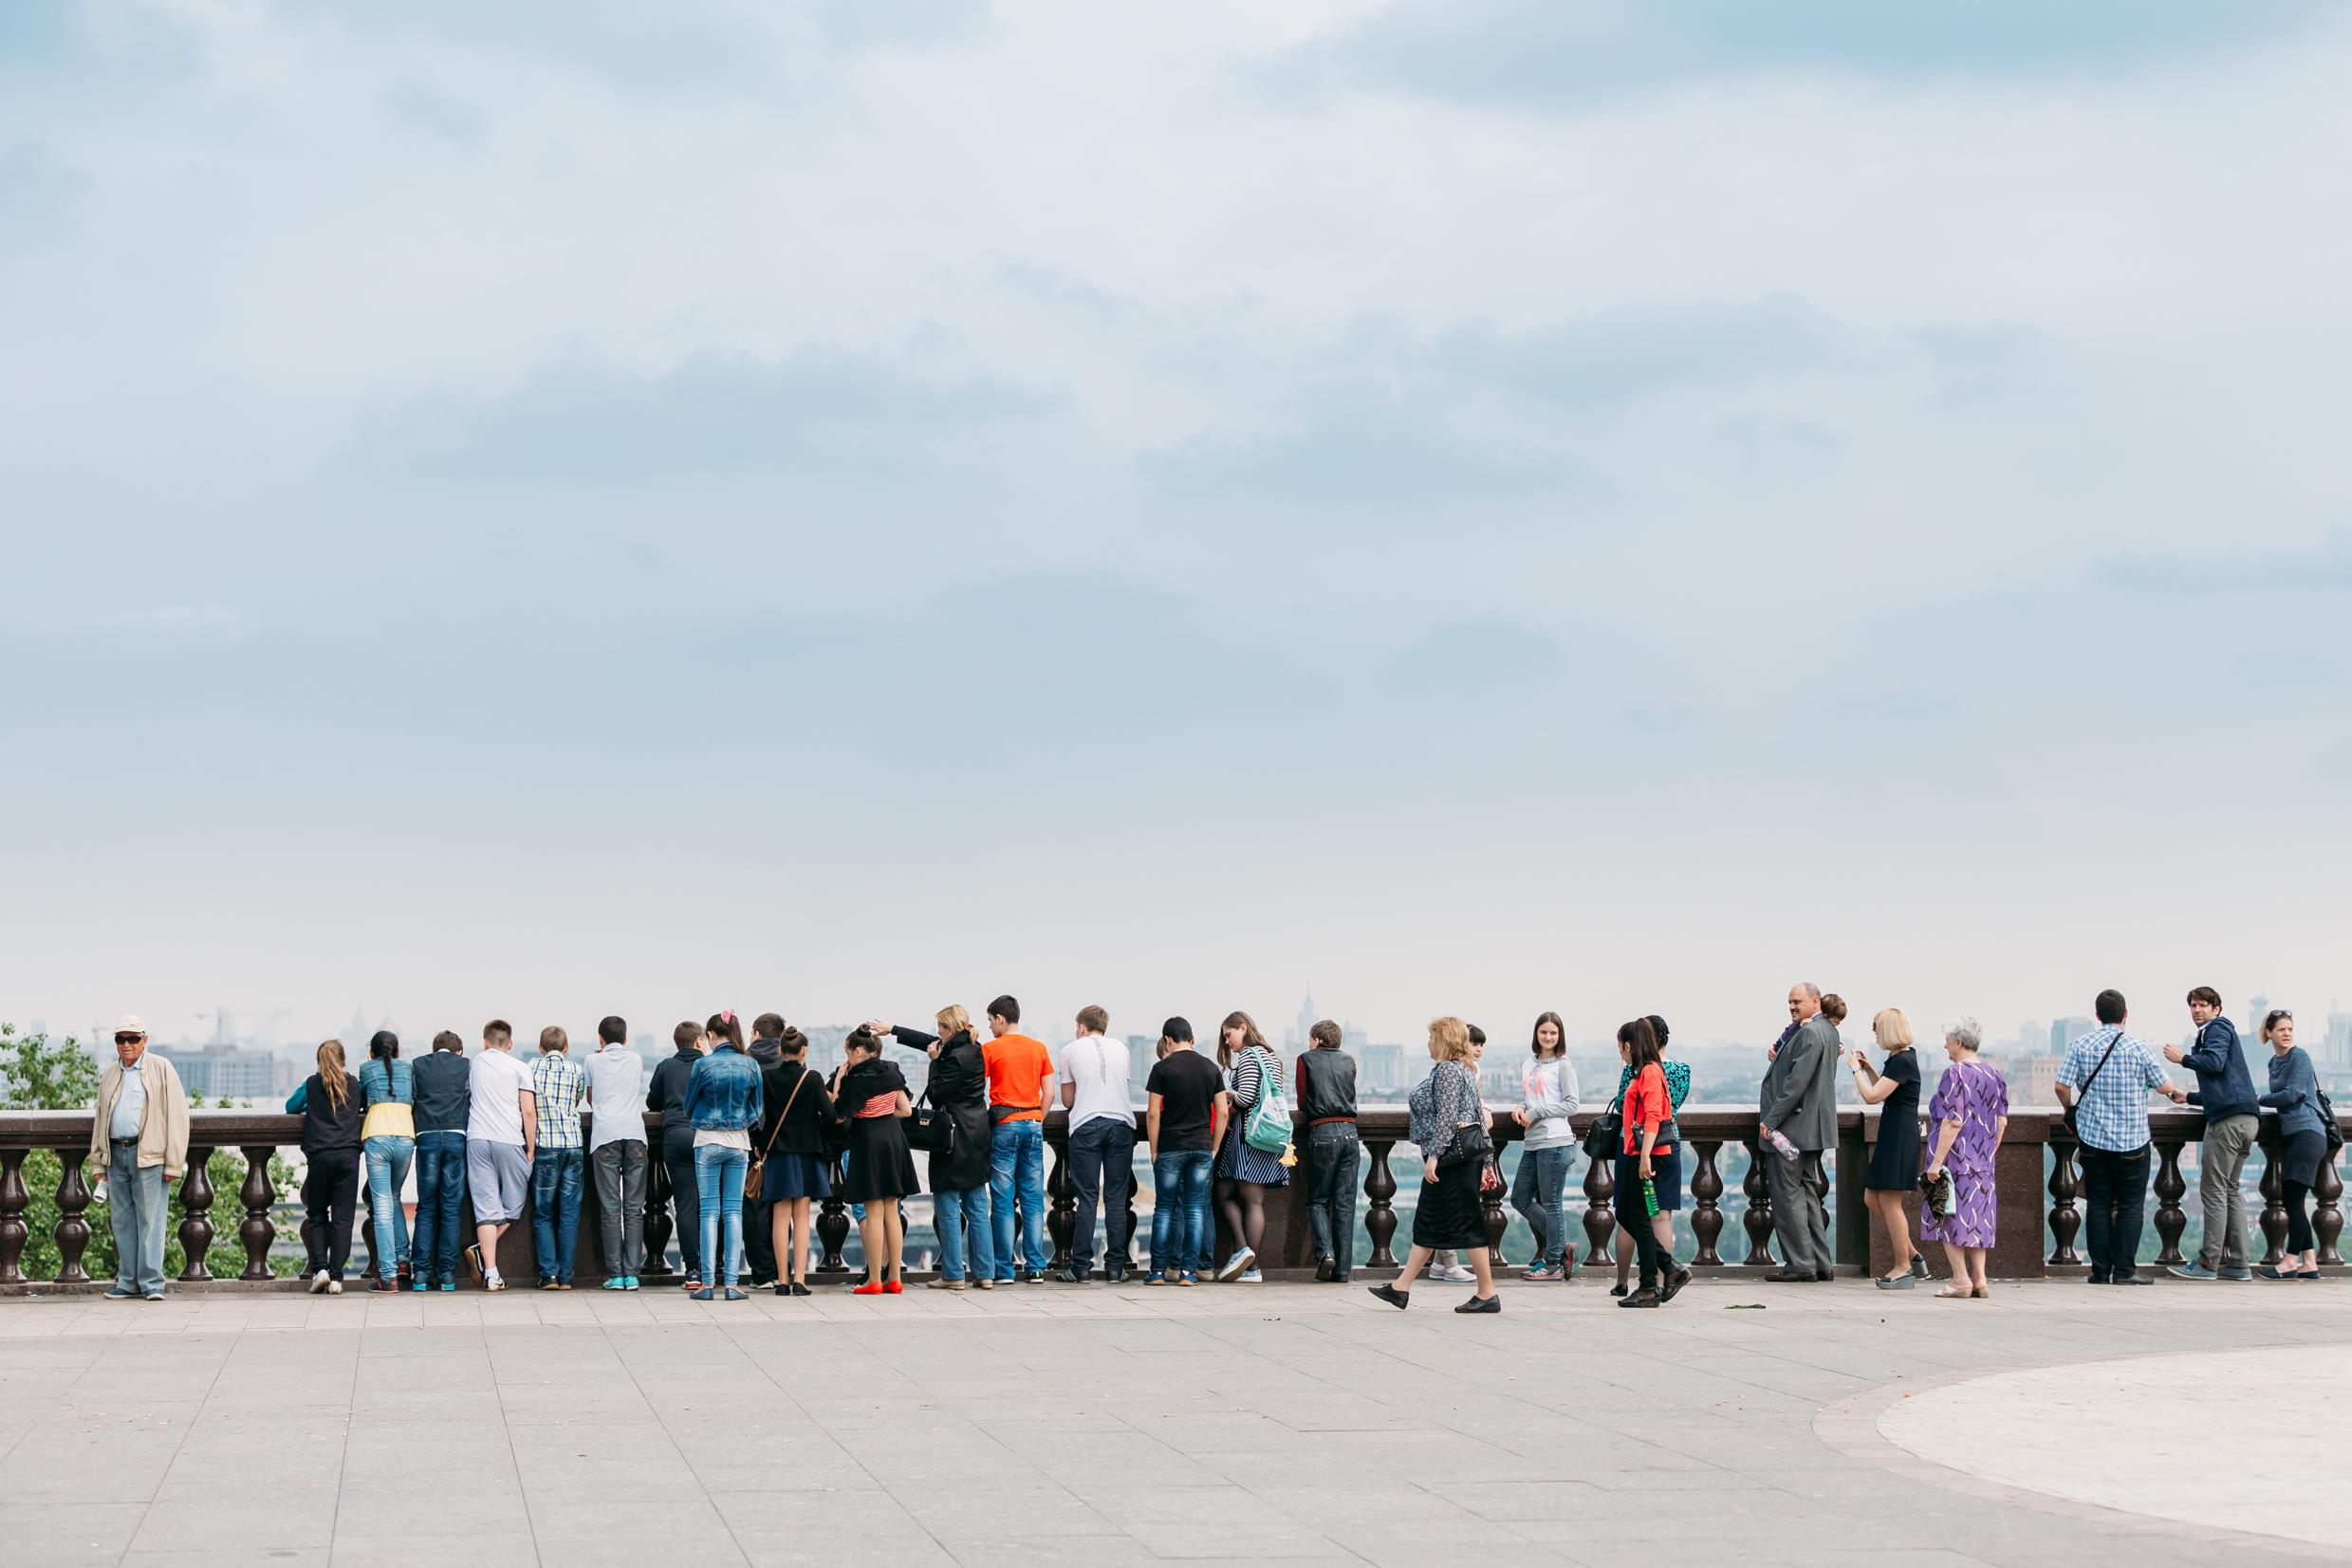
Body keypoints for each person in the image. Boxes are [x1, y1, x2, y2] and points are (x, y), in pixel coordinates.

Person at [1367, 1016, 1499, 1313]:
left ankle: (1487, 1293)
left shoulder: (1450, 1071)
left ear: (1442, 1040)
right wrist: (1487, 1160)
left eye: (1431, 1037)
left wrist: (1435, 1157)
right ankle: (1401, 1288)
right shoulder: (1459, 1069)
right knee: (1429, 1221)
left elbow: (1448, 1118)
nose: (1427, 1042)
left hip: (1451, 1161)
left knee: (1467, 1222)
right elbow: (1477, 1114)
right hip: (1458, 1159)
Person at [2055, 990, 2185, 1286]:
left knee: (2098, 1203)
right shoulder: (2138, 1047)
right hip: (2132, 1141)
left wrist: (2070, 1109)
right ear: (2126, 1014)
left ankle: (2100, 1271)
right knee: (2130, 1206)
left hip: (2093, 1139)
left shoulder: (2081, 1044)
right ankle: (2125, 1271)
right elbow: (2166, 1086)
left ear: (2097, 1015)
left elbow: (2061, 1086)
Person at [872, 1006, 996, 1291]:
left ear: (950, 1029)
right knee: (977, 1205)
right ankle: (985, 1272)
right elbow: (929, 1041)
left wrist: (934, 1062)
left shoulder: (950, 1058)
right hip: (977, 1133)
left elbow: (937, 1092)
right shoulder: (974, 1048)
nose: (937, 1032)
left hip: (952, 1136)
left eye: (940, 1027)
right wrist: (893, 1029)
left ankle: (953, 1274)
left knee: (948, 1205)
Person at [86, 1016, 189, 1301]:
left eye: (133, 1038)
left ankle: (152, 1283)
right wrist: (98, 1162)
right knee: (121, 1221)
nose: (127, 1044)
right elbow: (100, 1119)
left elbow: (178, 1116)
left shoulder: (161, 1068)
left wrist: (173, 1162)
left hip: (150, 1155)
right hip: (115, 1154)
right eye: (121, 1039)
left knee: (151, 1220)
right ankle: (127, 1281)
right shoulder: (109, 1074)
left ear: (145, 1040)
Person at [2165, 986, 2260, 1282]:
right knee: (2231, 1190)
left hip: (2227, 1123)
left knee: (2214, 1190)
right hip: (2247, 1119)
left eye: (2203, 1005)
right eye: (2193, 1005)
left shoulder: (2215, 1029)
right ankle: (2240, 1264)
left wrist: (2182, 1059)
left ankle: (2208, 1263)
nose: (2197, 1010)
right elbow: (2224, 1083)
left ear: (2216, 1009)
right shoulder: (2222, 1031)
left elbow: (2215, 1063)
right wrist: (2189, 1098)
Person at [1922, 1019, 2008, 1299]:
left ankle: (1960, 1280)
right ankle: (1980, 1279)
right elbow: (2001, 1122)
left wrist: (1936, 1162)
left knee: (1949, 1217)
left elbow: (1952, 1121)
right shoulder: (1995, 1074)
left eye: (1947, 1040)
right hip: (1982, 1161)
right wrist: (1988, 1152)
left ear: (1958, 1042)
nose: (1945, 1044)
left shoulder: (1955, 1073)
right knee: (1977, 1218)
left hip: (1955, 1161)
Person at [1759, 982, 1839, 1282]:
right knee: (1806, 1195)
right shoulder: (1828, 1030)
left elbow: (1795, 1084)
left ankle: (1800, 1264)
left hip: (1792, 1129)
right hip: (1813, 1129)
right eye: (1789, 1002)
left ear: (1815, 1001)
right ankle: (1820, 1262)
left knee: (1787, 1196)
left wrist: (1771, 1120)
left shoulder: (1808, 1033)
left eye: (1797, 1002)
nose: (1792, 1006)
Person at [754, 1026, 839, 1296]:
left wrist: (760, 1144)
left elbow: (759, 1116)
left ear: (780, 1051)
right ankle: (800, 1279)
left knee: (780, 1217)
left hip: (777, 1152)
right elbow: (829, 1115)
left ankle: (781, 1280)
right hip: (807, 1153)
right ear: (804, 1052)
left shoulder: (767, 1078)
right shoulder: (812, 1078)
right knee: (801, 1217)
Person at [686, 1012, 764, 1301]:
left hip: (707, 1140)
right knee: (734, 1212)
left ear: (710, 1035)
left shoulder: (702, 1064)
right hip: (738, 1142)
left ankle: (707, 1284)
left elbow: (688, 1105)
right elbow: (758, 1110)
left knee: (709, 1211)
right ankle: (731, 1284)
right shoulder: (751, 1064)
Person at [1613, 1016, 1690, 1308]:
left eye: (1621, 1046)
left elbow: (1654, 1115)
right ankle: (1668, 1270)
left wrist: (1644, 1155)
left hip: (1651, 1154)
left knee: (1638, 1217)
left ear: (1630, 1045)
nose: (1620, 1051)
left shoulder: (1649, 1072)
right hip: (1643, 1152)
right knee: (1630, 1215)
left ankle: (1650, 1285)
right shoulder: (1643, 1071)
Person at [1057, 1005, 1137, 1283]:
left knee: (1088, 1199)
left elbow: (1067, 1101)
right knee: (1116, 1199)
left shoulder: (1070, 1050)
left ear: (1081, 1026)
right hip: (1121, 1124)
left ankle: (1081, 1268)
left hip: (1087, 1125)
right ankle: (1115, 1267)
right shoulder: (1122, 1049)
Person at [832, 1027, 916, 1295]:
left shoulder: (855, 1079)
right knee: (893, 1210)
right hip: (893, 1138)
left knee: (873, 1212)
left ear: (857, 1051)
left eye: (848, 1053)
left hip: (867, 1140)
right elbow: (906, 1109)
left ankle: (874, 1280)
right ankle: (894, 1278)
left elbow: (838, 1115)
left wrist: (838, 1082)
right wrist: (883, 1111)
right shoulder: (891, 1071)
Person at [1850, 1007, 1928, 1288]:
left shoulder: (1903, 1061)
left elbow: (1872, 1097)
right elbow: (1886, 1091)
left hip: (1899, 1136)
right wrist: (1871, 1069)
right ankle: (1913, 1255)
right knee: (1873, 1197)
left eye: (1875, 1026)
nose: (1873, 1031)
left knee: (1890, 1201)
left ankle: (1903, 1266)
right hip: (1893, 1133)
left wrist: (1856, 1069)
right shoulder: (1900, 1058)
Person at [981, 995, 1057, 1283]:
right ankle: (1035, 1266)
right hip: (1033, 1125)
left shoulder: (990, 1049)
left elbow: (978, 1088)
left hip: (1004, 1126)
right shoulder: (1038, 1048)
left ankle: (1004, 1268)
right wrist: (1038, 1117)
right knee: (1033, 1199)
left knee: (1002, 1199)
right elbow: (1049, 1093)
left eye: (990, 1020)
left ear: (1000, 1018)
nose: (989, 1026)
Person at [1144, 1017, 1222, 1285]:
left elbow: (1154, 1113)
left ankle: (1157, 1271)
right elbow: (1222, 1112)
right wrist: (1214, 1146)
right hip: (1201, 1147)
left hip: (1170, 1147)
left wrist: (1154, 1149)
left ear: (1167, 1040)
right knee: (1195, 1210)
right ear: (1192, 1039)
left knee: (1164, 1209)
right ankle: (1189, 1272)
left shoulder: (1161, 1068)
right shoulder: (1211, 1068)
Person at [1213, 1011, 1287, 1282]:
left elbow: (1245, 1098)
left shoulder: (1248, 1056)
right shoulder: (1271, 1057)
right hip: (1270, 1135)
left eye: (1229, 1034)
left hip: (1249, 1135)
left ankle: (1250, 1263)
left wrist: (1229, 1098)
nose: (1228, 1041)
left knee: (1237, 1195)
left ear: (1243, 1028)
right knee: (1249, 1197)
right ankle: (1246, 1256)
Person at [464, 1019, 537, 1292]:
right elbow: (528, 1112)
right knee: (515, 1203)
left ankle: (491, 1272)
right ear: (510, 1044)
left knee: (485, 1209)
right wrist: (530, 1147)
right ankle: (483, 1252)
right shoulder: (520, 1067)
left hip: (477, 1139)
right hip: (510, 1140)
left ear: (485, 1042)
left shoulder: (475, 1064)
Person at [2255, 1009, 2327, 1281]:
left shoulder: (2299, 1056)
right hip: (2294, 1134)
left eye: (2290, 1029)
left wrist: (2260, 1098)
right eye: (2282, 1029)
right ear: (2269, 1032)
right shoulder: (2274, 1063)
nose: (2287, 1034)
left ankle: (2289, 1260)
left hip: (2308, 1132)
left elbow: (2294, 1093)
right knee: (2293, 1199)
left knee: (2292, 1199)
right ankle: (2309, 1262)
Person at [288, 1040, 364, 1294]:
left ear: (319, 1061)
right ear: (343, 1059)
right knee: (343, 1219)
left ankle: (319, 1269)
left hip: (320, 1156)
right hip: (348, 1156)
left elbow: (291, 1107)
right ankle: (337, 1277)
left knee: (317, 1214)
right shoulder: (354, 1084)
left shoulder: (312, 1084)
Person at [1509, 1011, 1580, 1282]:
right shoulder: (1528, 1064)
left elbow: (1572, 1104)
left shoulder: (1563, 1066)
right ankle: (1561, 1248)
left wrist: (1536, 1113)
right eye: (1544, 1032)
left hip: (1555, 1140)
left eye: (1553, 1033)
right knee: (1519, 1199)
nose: (1548, 1037)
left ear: (1560, 1036)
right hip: (1533, 1141)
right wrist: (1520, 1107)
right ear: (1536, 1034)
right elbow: (1530, 1098)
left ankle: (1553, 1263)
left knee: (1552, 1203)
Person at [584, 1014, 647, 1291]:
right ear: (625, 1038)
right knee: (634, 1208)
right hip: (635, 1134)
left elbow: (590, 1096)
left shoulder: (591, 1060)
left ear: (600, 1038)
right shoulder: (635, 1059)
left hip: (605, 1135)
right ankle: (632, 1273)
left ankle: (615, 1273)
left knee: (610, 1208)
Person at [1296, 1018, 1361, 1282]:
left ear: (1317, 1039)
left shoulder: (1306, 1059)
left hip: (1322, 1132)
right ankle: (1343, 1270)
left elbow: (1302, 1097)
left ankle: (1325, 1254)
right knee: (1345, 1204)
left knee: (1317, 1199)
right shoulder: (1349, 1061)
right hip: (1350, 1133)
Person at [645, 1021, 708, 1288]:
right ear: (698, 1041)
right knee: (710, 1205)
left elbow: (652, 1102)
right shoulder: (707, 1065)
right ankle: (713, 1266)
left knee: (685, 1206)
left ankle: (692, 1270)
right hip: (705, 1136)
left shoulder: (665, 1067)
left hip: (674, 1136)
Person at [409, 1029, 471, 1292]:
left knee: (426, 1206)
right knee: (451, 1208)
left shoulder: (418, 1065)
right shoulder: (466, 1065)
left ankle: (421, 1273)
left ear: (434, 1049)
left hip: (427, 1137)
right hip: (456, 1136)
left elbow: (412, 1097)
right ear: (459, 1051)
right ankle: (446, 1274)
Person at [528, 1024, 587, 1290]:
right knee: (570, 1213)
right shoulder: (576, 1069)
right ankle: (566, 1276)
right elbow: (576, 1101)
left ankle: (549, 1274)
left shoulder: (531, 1067)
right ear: (566, 1048)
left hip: (545, 1146)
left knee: (542, 1213)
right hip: (573, 1144)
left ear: (540, 1049)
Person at [357, 1030, 416, 1292]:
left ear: (372, 1052)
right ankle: (404, 1261)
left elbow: (360, 1102)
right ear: (398, 1052)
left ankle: (388, 1275)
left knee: (381, 1205)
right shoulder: (408, 1069)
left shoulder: (366, 1068)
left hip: (377, 1136)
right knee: (393, 1197)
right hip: (405, 1136)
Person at [740, 1013, 788, 1288]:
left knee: (753, 1207)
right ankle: (783, 1268)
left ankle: (762, 1272)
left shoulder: (745, 1061)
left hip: (752, 1143)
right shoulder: (790, 1061)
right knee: (782, 1208)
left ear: (756, 1033)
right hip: (784, 1145)